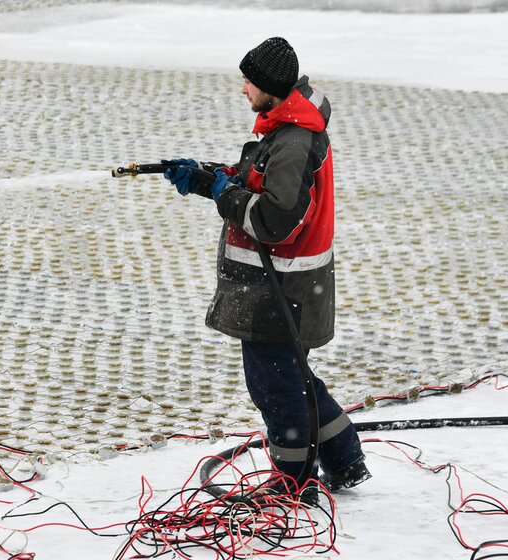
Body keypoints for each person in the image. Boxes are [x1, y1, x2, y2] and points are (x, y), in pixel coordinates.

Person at [162, 37, 370, 500]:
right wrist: (204, 178)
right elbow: (259, 182)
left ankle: (293, 486)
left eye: (249, 82)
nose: (243, 90)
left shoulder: (294, 141)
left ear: (271, 89)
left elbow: (274, 221)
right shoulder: (287, 128)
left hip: (280, 289)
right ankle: (345, 458)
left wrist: (223, 194)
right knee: (294, 378)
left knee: (276, 388)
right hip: (287, 285)